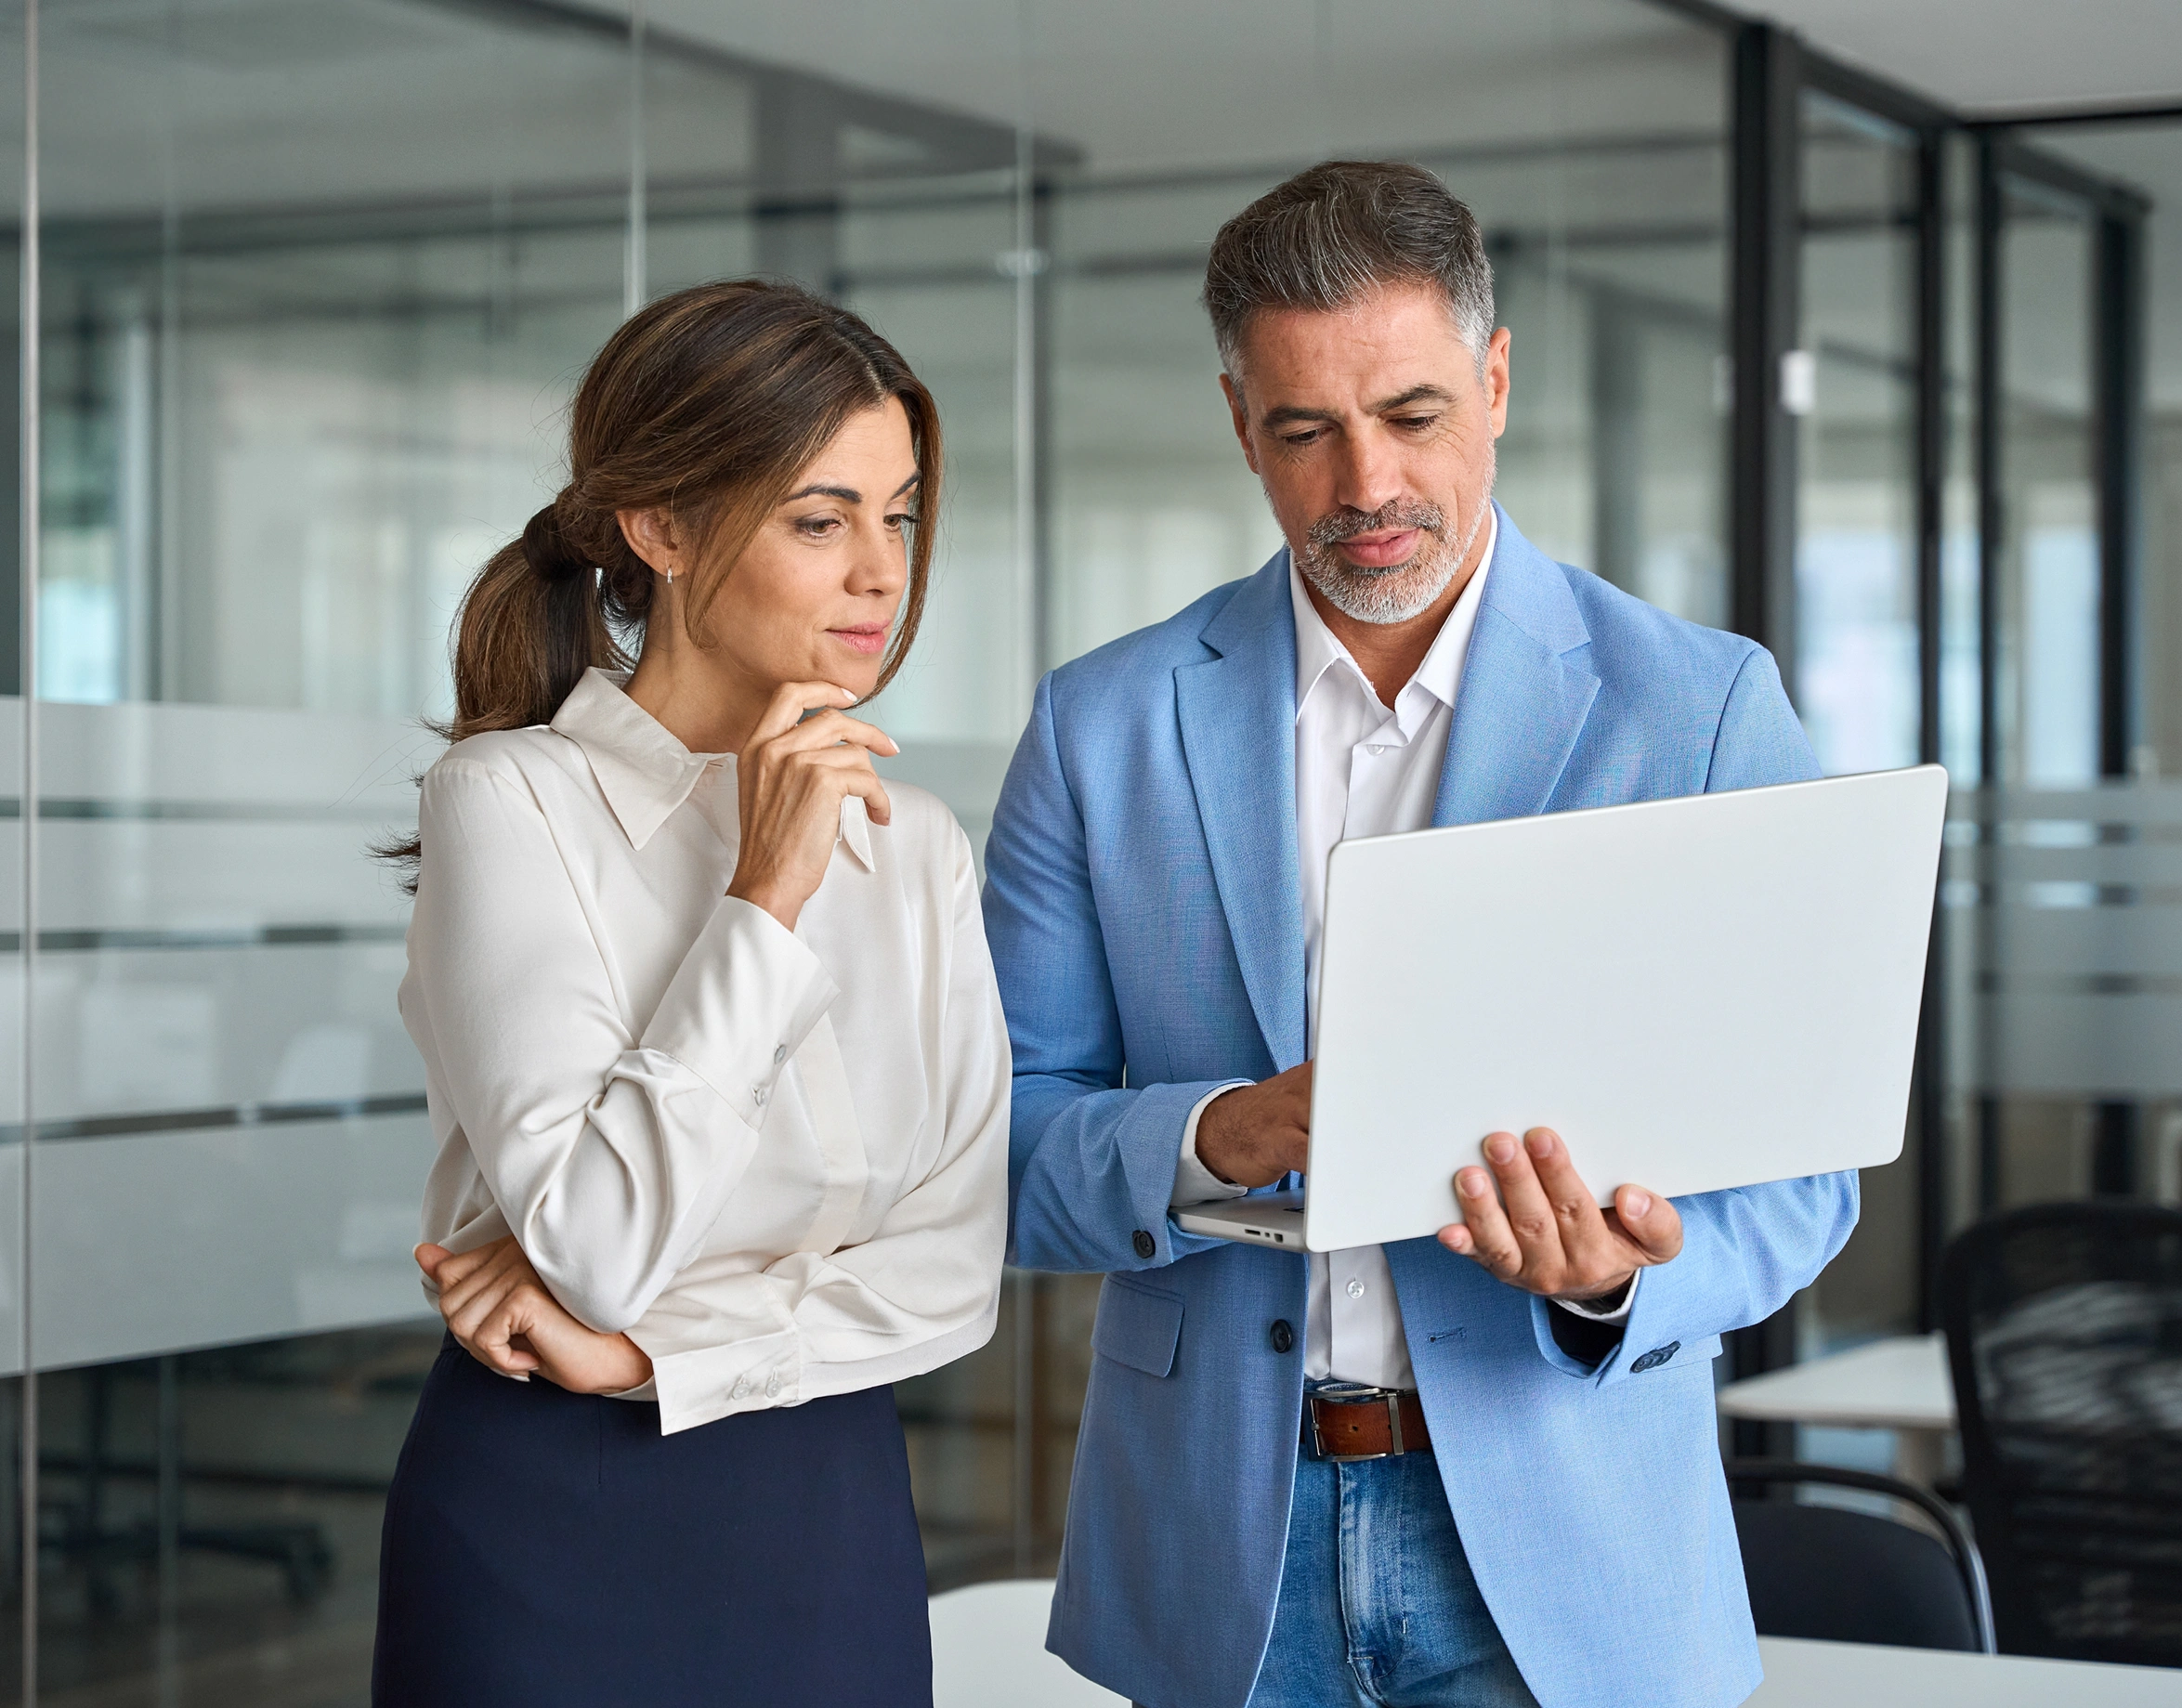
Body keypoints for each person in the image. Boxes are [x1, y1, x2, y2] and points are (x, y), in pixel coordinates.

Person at [983, 162, 1859, 1708]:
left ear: (1499, 380)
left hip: (1570, 1553)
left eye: (1413, 414)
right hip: (1216, 1558)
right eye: (1304, 430)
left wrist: (1612, 1277)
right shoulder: (1100, 723)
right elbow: (992, 1149)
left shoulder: (1700, 708)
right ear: (1240, 425)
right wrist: (1219, 1134)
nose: (1364, 484)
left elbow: (1802, 1178)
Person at [372, 280, 1009, 1708]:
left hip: (829, 1505)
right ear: (658, 529)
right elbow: (597, 1238)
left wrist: (649, 1353)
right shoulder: (508, 803)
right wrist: (765, 897)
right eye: (818, 517)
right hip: (551, 1514)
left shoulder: (921, 853)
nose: (880, 571)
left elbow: (955, 1270)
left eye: (898, 515)